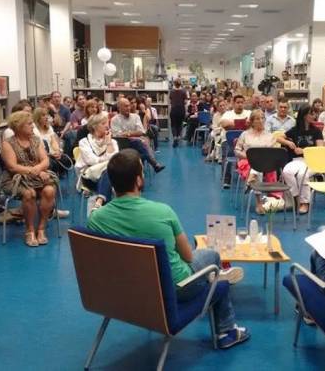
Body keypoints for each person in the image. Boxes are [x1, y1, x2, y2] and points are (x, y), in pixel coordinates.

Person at [87, 149, 250, 349]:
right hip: (173, 289)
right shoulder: (162, 212)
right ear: (139, 180)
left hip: (123, 293)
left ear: (112, 184)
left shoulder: (96, 219)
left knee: (204, 267)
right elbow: (188, 256)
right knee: (211, 257)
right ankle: (226, 328)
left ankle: (214, 278)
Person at [0, 111, 58, 247]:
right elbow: (12, 167)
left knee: (49, 190)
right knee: (29, 193)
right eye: (29, 124)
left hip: (37, 176)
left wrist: (38, 170)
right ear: (19, 126)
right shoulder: (8, 144)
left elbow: (45, 160)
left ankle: (42, 228)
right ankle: (30, 230)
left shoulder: (36, 140)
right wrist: (36, 172)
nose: (33, 126)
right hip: (15, 179)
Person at [277, 105, 324, 215]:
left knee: (302, 175)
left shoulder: (316, 131)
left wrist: (304, 151)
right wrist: (288, 142)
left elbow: (320, 149)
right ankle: (296, 197)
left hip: (312, 161)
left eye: (314, 113)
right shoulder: (295, 130)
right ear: (304, 116)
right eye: (311, 114)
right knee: (286, 172)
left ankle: (305, 203)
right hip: (297, 160)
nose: (314, 116)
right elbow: (278, 137)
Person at [235, 110, 280, 214]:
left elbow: (274, 153)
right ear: (252, 121)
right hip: (247, 161)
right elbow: (237, 150)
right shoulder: (245, 134)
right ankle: (259, 203)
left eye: (262, 118)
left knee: (257, 167)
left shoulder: (270, 136)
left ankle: (250, 182)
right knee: (256, 168)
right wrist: (247, 156)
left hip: (266, 163)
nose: (260, 121)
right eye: (257, 119)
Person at [110, 98, 165, 173]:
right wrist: (132, 134)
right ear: (119, 108)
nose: (128, 108)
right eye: (126, 106)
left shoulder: (135, 117)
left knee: (140, 147)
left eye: (129, 106)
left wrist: (128, 134)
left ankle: (139, 172)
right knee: (140, 144)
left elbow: (141, 132)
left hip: (136, 143)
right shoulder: (114, 120)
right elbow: (117, 135)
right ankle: (154, 164)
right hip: (122, 145)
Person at [76, 114, 118, 212]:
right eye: (103, 123)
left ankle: (99, 203)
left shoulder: (113, 142)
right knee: (109, 171)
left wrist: (108, 143)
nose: (107, 126)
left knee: (108, 171)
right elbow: (92, 160)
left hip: (108, 175)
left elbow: (116, 159)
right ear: (94, 126)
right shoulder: (84, 142)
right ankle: (103, 208)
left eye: (107, 123)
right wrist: (106, 159)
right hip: (89, 177)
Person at [219, 95, 253, 188]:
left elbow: (252, 123)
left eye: (242, 102)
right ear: (233, 103)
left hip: (246, 142)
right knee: (228, 153)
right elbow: (224, 124)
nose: (240, 105)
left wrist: (232, 125)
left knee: (253, 153)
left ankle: (250, 179)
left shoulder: (249, 113)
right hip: (229, 142)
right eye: (238, 102)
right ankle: (226, 179)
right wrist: (241, 124)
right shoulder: (228, 114)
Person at [32, 107, 66, 176]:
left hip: (52, 152)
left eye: (47, 115)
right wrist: (50, 154)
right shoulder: (34, 130)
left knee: (65, 159)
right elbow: (39, 147)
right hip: (42, 155)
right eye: (43, 115)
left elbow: (53, 142)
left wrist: (57, 151)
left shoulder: (49, 127)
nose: (46, 117)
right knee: (52, 163)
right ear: (37, 118)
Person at [170, 79, 187, 147]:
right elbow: (185, 102)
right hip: (181, 110)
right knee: (179, 124)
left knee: (173, 124)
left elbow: (171, 99)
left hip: (173, 109)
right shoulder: (183, 91)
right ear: (180, 84)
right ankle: (178, 136)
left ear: (174, 84)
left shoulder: (172, 91)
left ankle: (174, 137)